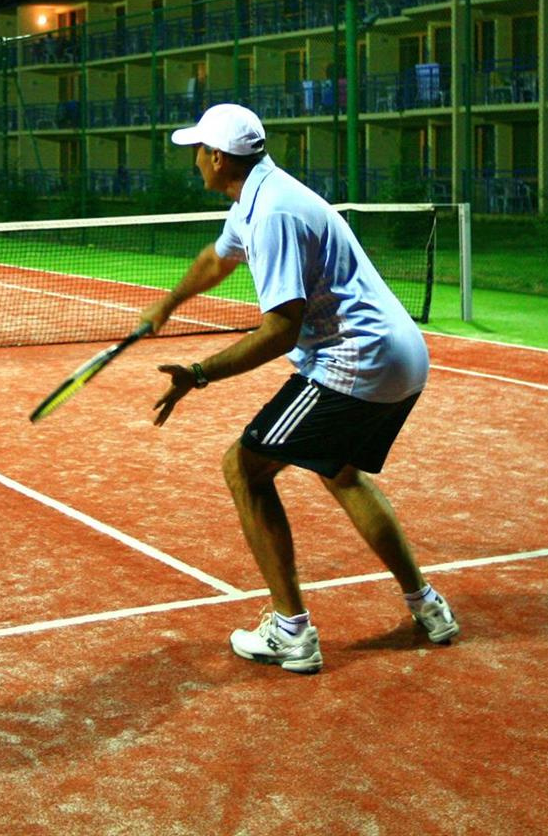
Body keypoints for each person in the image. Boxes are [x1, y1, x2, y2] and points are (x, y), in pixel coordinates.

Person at [138, 103, 457, 674]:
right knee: (341, 471)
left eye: (199, 151)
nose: (195, 160)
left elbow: (280, 330)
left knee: (244, 468)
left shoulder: (274, 214)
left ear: (218, 158)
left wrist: (199, 374)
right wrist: (168, 304)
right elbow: (217, 258)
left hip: (355, 360)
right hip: (402, 357)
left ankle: (292, 632)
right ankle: (427, 605)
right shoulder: (258, 195)